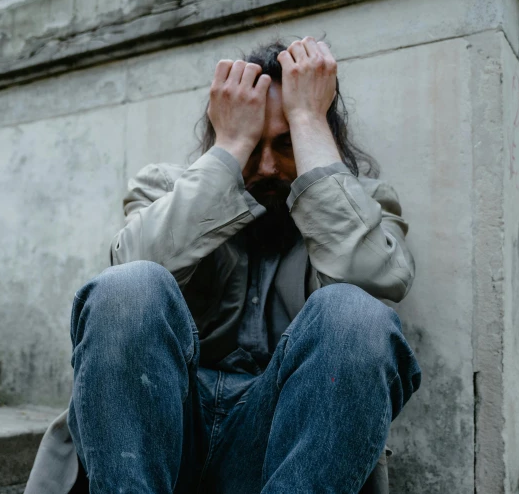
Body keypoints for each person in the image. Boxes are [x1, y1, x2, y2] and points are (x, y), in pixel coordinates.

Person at [24, 35, 422, 494]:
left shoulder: (363, 204)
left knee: (356, 315)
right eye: (254, 145)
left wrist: (310, 117)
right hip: (161, 442)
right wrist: (231, 145)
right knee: (130, 284)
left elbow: (376, 281)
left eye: (288, 143)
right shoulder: (166, 190)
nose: (268, 166)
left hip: (279, 451)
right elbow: (122, 286)